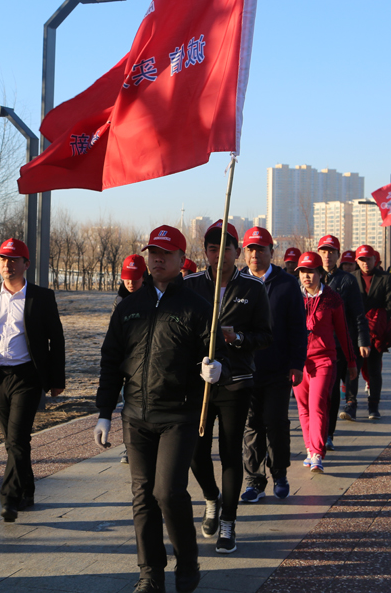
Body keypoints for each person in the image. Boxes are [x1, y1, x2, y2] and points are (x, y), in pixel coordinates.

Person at [96, 224, 236, 593]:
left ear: (179, 258)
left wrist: (216, 369)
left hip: (180, 414)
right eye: (152, 253)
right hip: (136, 416)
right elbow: (111, 360)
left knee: (168, 492)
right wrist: (103, 412)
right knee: (142, 494)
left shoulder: (198, 307)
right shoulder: (128, 307)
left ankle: (187, 562)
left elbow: (219, 356)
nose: (156, 259)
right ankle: (150, 573)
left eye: (165, 253)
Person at [0, 239, 66, 522]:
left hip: (27, 376)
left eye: (14, 259)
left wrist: (56, 379)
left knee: (16, 438)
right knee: (13, 441)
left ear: (26, 264)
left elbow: (57, 339)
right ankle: (28, 488)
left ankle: (9, 499)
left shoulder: (42, 297)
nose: (7, 264)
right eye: (3, 259)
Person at [184, 220, 273, 554]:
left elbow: (266, 336)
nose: (218, 255)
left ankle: (229, 523)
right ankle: (211, 497)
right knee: (195, 451)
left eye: (226, 249)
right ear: (204, 252)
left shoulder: (252, 288)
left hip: (236, 382)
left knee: (231, 452)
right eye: (211, 248)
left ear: (237, 252)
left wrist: (237, 339)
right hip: (201, 383)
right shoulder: (191, 285)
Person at [240, 226, 306, 503]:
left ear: (271, 252)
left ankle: (279, 473)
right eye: (250, 249)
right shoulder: (237, 281)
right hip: (245, 368)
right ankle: (255, 480)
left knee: (276, 422)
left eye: (261, 249)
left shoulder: (286, 283)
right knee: (251, 424)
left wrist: (296, 363)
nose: (255, 254)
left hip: (278, 368)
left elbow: (297, 328)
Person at [295, 252, 357, 474]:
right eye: (303, 272)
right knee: (303, 408)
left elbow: (343, 332)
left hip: (324, 360)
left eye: (311, 272)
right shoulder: (293, 296)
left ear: (321, 273)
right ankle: (309, 449)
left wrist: (351, 361)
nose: (307, 276)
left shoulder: (332, 298)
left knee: (318, 404)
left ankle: (318, 453)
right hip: (299, 361)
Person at [317, 235, 371, 430]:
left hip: (340, 344)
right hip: (316, 345)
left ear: (338, 255)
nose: (327, 256)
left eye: (331, 252)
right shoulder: (310, 277)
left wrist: (363, 340)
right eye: (323, 251)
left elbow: (358, 313)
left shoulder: (347, 280)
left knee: (334, 389)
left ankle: (332, 429)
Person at [351, 245, 391, 420]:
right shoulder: (351, 278)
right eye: (361, 260)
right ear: (357, 261)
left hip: (377, 331)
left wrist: (379, 317)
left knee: (374, 369)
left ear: (374, 260)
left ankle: (373, 406)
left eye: (368, 259)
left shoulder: (385, 278)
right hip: (356, 331)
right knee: (353, 368)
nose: (365, 263)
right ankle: (351, 404)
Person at [114, 253, 149, 465]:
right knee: (127, 406)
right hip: (126, 364)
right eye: (126, 277)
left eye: (135, 278)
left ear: (144, 277)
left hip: (146, 364)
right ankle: (129, 447)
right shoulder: (119, 302)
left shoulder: (151, 300)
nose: (130, 282)